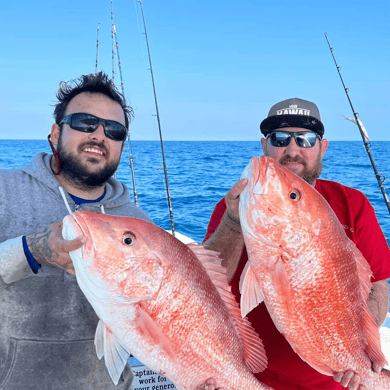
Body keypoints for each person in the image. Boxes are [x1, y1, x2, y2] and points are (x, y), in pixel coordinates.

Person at [203, 98, 390, 390]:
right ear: (264, 146)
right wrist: (234, 222)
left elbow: (378, 283)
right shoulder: (232, 209)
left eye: (305, 139)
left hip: (336, 381)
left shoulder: (354, 204)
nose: (292, 150)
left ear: (322, 147)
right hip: (251, 380)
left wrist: (361, 349)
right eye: (279, 138)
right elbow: (207, 286)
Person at [0, 72, 152, 389]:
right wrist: (29, 250)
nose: (99, 134)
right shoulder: (5, 190)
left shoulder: (138, 223)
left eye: (114, 130)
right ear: (55, 133)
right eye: (84, 122)